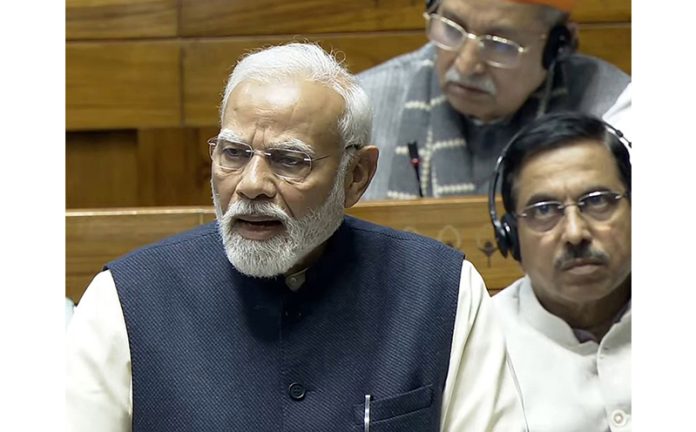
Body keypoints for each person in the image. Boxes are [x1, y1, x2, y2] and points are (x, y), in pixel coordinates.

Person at [66, 42, 527, 432]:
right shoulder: (123, 300)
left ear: (357, 175)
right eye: (233, 153)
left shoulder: (443, 292)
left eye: (289, 160)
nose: (250, 184)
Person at [358, 0, 631, 200]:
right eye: (452, 29)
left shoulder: (614, 111)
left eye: (500, 44)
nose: (466, 66)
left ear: (559, 45)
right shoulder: (360, 105)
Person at [489, 112, 631, 431]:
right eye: (543, 210)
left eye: (597, 201)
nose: (575, 233)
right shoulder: (481, 345)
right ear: (510, 234)